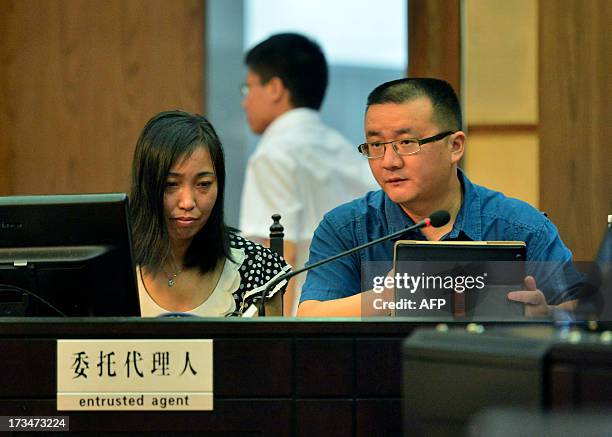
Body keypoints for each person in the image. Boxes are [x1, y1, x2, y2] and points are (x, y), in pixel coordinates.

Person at [298, 78, 582, 317]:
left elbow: (583, 309)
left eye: (406, 143)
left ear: (455, 146)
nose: (389, 162)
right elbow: (310, 314)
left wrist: (545, 314)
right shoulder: (347, 228)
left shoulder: (521, 227)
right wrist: (387, 298)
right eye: (375, 145)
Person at [239, 33, 378, 315]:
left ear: (275, 88)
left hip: (301, 314)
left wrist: (273, 338)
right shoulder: (341, 147)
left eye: (248, 88)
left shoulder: (272, 154)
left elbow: (278, 254)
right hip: (354, 309)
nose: (245, 101)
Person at [130, 110, 289, 317]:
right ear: (146, 186)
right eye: (170, 184)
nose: (187, 202)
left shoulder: (256, 267)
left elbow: (271, 349)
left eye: (203, 184)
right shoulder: (112, 263)